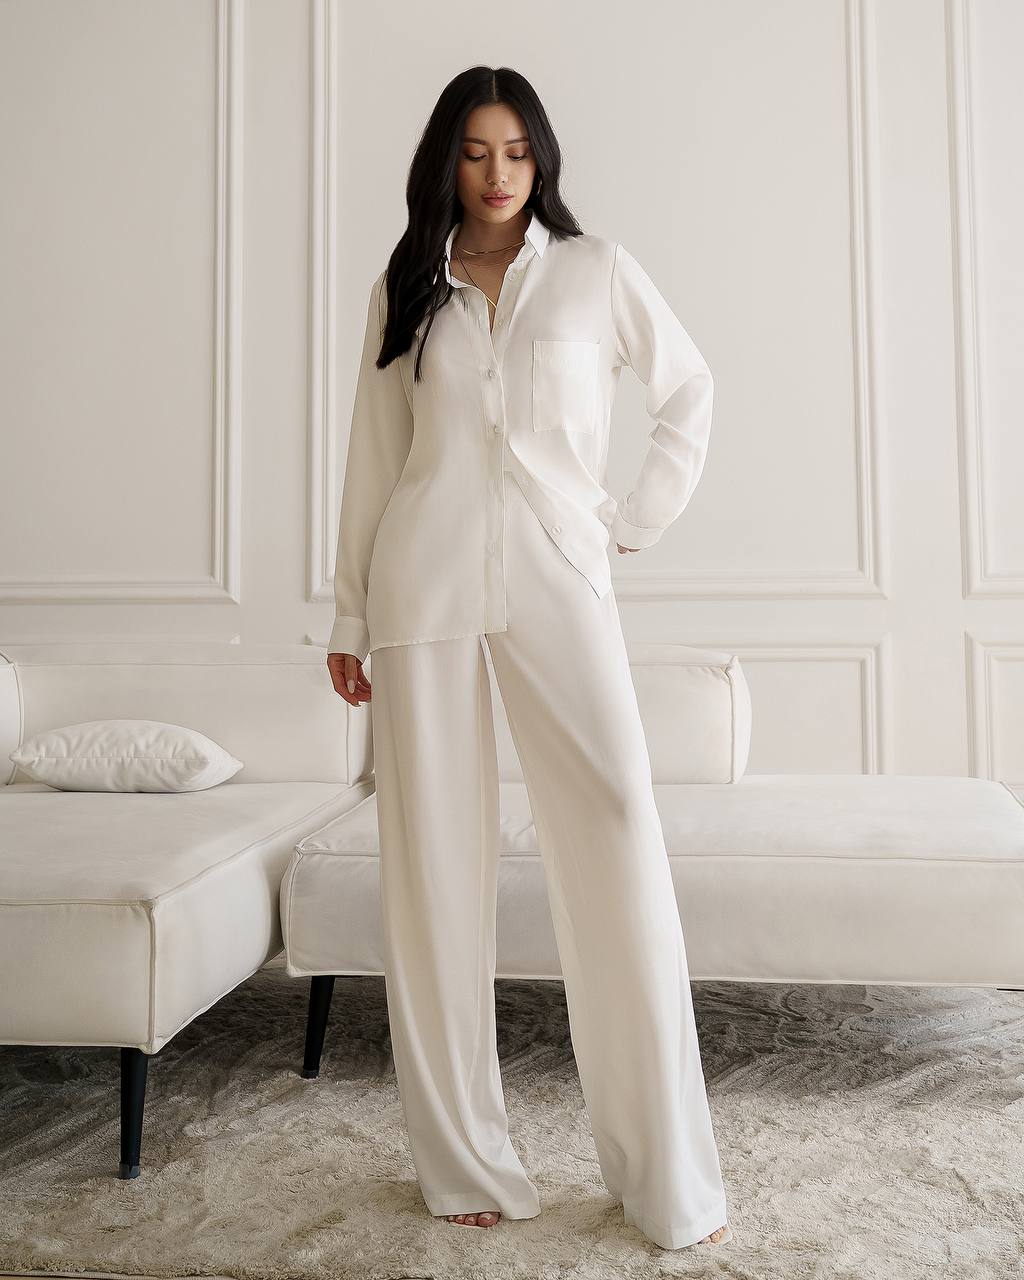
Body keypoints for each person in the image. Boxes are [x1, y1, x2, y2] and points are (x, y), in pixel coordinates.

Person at [325, 65, 732, 1252]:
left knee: (613, 823)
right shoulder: (409, 288)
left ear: (540, 158)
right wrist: (350, 618)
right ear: (444, 163)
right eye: (473, 152)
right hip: (423, 586)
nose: (497, 174)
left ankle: (665, 1174)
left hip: (560, 575)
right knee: (434, 868)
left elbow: (689, 389)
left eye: (514, 151)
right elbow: (372, 456)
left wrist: (624, 518)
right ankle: (465, 1159)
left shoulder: (598, 272)